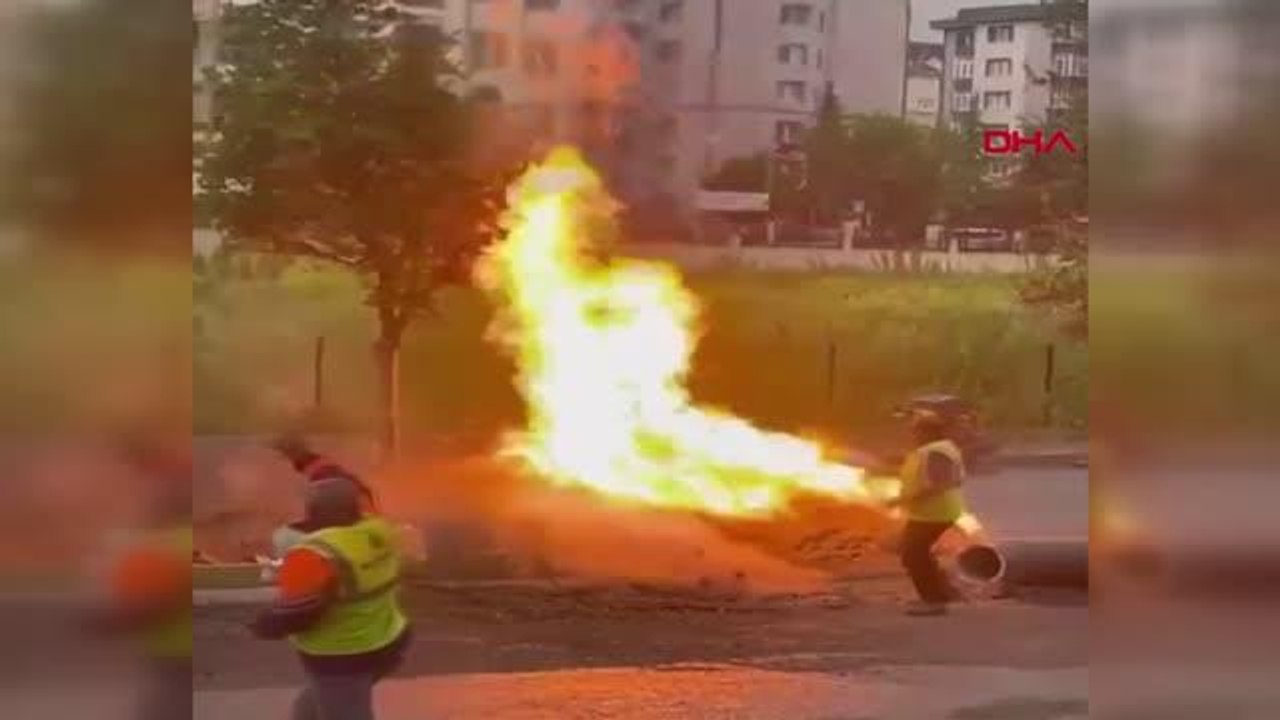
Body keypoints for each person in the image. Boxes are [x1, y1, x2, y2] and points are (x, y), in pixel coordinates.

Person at [249, 474, 412, 720]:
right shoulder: (381, 531)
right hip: (390, 640)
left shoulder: (313, 554)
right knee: (319, 702)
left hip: (341, 655)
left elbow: (295, 614)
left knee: (342, 707)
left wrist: (263, 624)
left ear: (313, 511)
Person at [889, 408, 970, 616]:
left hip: (935, 513)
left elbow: (938, 483)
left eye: (914, 431)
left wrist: (901, 500)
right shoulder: (933, 449)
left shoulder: (936, 451)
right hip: (928, 513)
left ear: (926, 432)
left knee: (913, 555)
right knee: (914, 552)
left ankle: (933, 601)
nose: (911, 435)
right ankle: (943, 592)